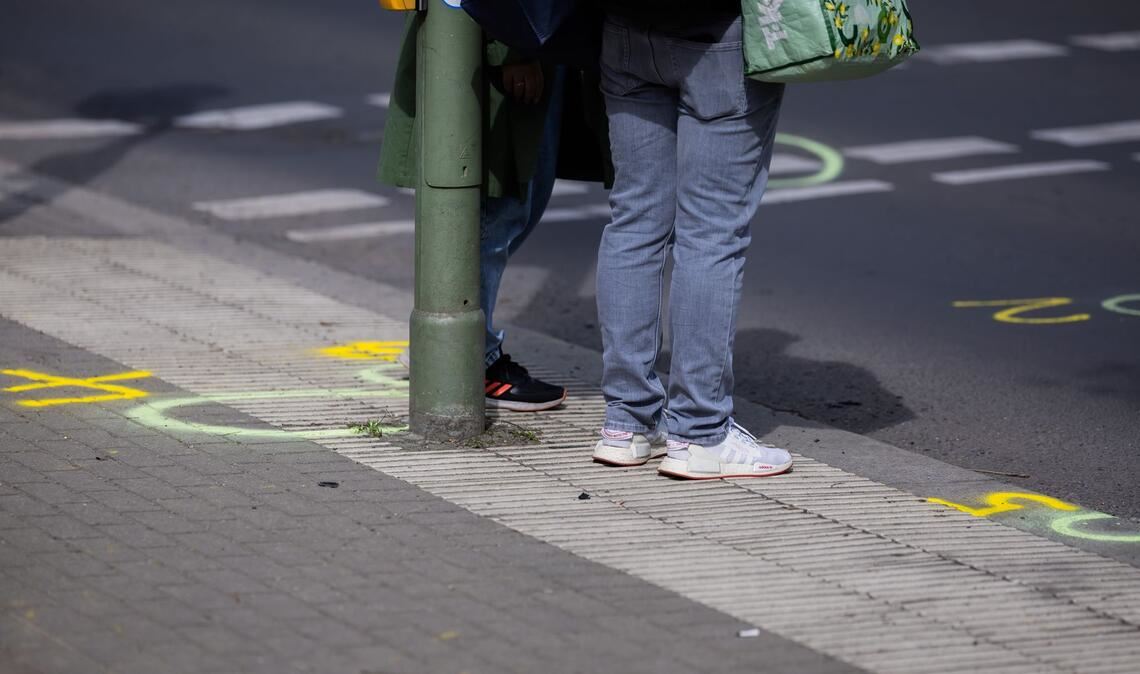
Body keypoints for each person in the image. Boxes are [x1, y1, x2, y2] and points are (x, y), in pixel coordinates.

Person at [589, 1, 795, 478]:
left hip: (625, 30)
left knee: (634, 221)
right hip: (719, 35)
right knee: (711, 235)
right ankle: (700, 434)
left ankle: (626, 425)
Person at [379, 14, 610, 412]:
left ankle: (449, 347)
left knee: (508, 206)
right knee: (497, 210)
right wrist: (512, 50)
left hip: (522, 41)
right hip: (503, 42)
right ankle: (470, 357)